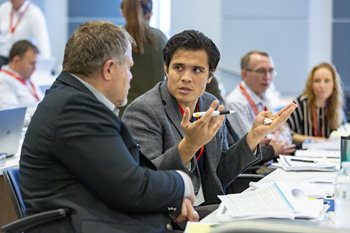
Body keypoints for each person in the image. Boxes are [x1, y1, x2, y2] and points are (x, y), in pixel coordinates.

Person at [19, 21, 200, 233]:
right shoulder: (75, 108)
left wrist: (171, 202)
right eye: (129, 68)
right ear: (109, 69)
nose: (131, 77)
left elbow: (118, 182)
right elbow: (131, 188)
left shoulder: (72, 101)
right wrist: (182, 183)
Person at [122, 30, 297, 206]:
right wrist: (189, 146)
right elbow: (148, 179)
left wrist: (254, 137)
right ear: (166, 69)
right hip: (171, 212)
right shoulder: (144, 110)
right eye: (178, 67)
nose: (186, 78)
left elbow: (220, 172)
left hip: (211, 206)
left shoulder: (210, 104)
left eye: (197, 70)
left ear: (210, 77)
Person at [225, 50, 296, 161]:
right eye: (261, 71)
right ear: (244, 74)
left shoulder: (266, 95)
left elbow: (285, 132)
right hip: (254, 168)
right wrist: (275, 140)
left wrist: (275, 139)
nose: (267, 77)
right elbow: (251, 144)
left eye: (271, 71)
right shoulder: (236, 103)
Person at [119, 0, 168, 116]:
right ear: (149, 13)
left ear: (123, 12)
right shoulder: (162, 39)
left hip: (123, 114)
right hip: (155, 113)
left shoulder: (115, 39)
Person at [287, 62, 344, 144]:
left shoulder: (336, 106)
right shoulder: (299, 104)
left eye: (327, 81)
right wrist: (315, 140)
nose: (321, 85)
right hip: (303, 154)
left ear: (334, 84)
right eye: (317, 81)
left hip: (329, 153)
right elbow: (286, 134)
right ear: (311, 84)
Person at [0, 0, 51, 67]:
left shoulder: (34, 13)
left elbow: (42, 42)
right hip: (2, 56)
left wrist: (45, 67)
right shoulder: (4, 8)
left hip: (21, 59)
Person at [0, 39, 43, 115]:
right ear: (16, 61)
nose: (35, 68)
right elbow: (12, 114)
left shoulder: (26, 78)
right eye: (31, 63)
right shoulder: (3, 80)